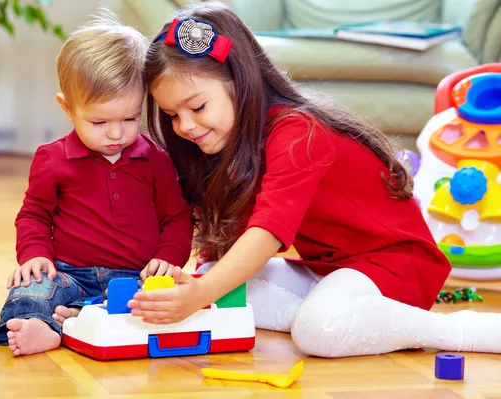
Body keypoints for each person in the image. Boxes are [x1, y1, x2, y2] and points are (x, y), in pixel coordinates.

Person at [127, 2, 501, 357]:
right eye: (173, 115)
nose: (186, 126)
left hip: (395, 266)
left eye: (197, 107)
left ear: (241, 81)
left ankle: (453, 330)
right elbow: (230, 237)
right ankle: (343, 317)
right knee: (215, 278)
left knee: (310, 329)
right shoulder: (231, 141)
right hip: (331, 270)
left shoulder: (299, 133)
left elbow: (267, 232)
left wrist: (203, 293)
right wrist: (196, 286)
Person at [0, 12, 193, 356]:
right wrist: (35, 255)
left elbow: (177, 218)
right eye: (99, 121)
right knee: (32, 287)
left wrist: (168, 258)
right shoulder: (51, 159)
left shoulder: (156, 159)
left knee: (163, 298)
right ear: (68, 109)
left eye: (129, 118)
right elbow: (34, 216)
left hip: (135, 279)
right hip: (69, 274)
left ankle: (76, 321)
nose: (116, 134)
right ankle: (51, 324)